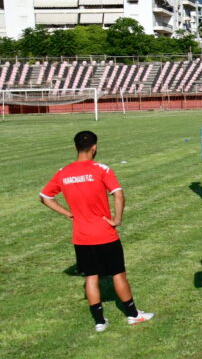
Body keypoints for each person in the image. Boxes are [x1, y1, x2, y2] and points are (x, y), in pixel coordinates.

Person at [39, 130, 154, 332]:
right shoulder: (101, 169)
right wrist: (117, 219)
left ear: (75, 147)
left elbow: (44, 197)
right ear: (94, 147)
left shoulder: (63, 172)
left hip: (81, 235)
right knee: (118, 274)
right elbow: (118, 194)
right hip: (104, 233)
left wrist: (67, 213)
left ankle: (100, 321)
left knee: (91, 277)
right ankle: (133, 315)